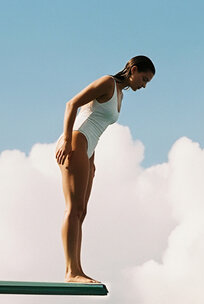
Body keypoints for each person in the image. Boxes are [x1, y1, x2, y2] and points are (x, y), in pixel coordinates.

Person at [55, 55, 155, 283]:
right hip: (76, 142)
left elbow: (95, 122)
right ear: (134, 69)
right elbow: (72, 104)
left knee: (82, 211)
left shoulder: (119, 95)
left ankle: (77, 269)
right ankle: (71, 272)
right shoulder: (107, 83)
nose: (144, 85)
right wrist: (68, 140)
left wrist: (91, 158)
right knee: (73, 208)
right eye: (144, 78)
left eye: (147, 82)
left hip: (87, 149)